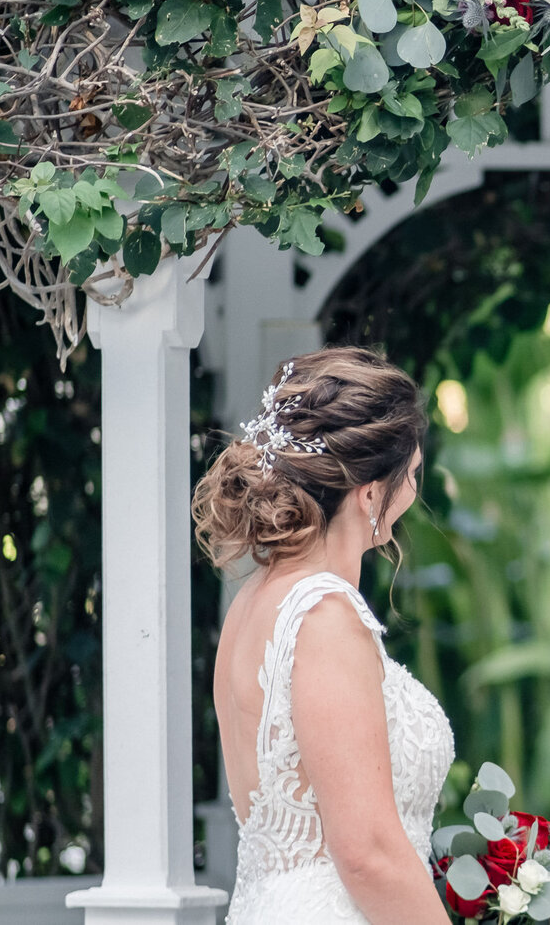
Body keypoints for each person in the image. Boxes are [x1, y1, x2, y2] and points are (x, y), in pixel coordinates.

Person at [195, 347, 454, 924]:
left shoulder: (253, 603)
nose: (412, 495)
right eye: (409, 476)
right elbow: (367, 854)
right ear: (369, 495)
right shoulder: (324, 615)